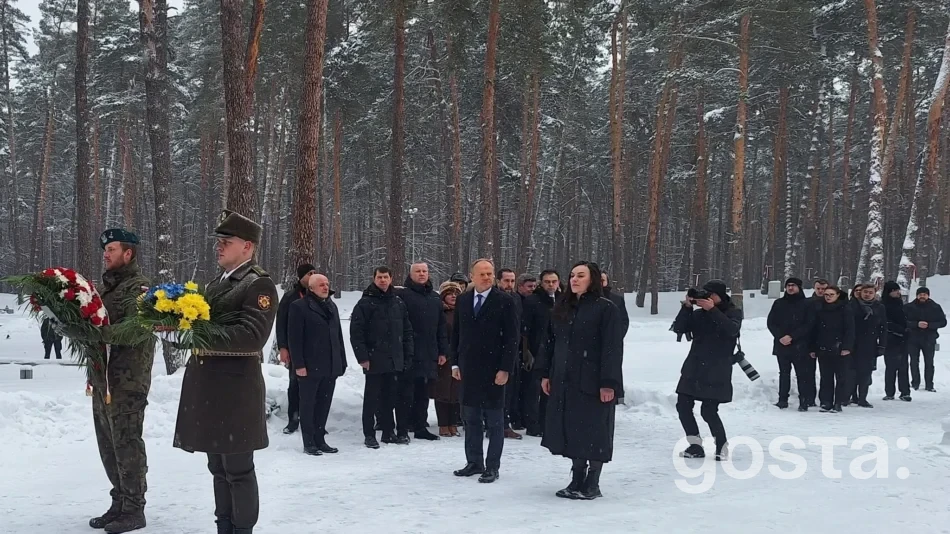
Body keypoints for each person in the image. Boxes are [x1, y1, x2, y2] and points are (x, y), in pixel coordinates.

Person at [173, 210, 279, 534]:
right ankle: (224, 527)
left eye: (226, 242)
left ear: (247, 247)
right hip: (212, 394)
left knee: (239, 470)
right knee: (217, 468)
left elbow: (252, 337)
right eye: (218, 241)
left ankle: (242, 530)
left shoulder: (257, 284)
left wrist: (197, 334)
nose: (219, 247)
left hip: (235, 395)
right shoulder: (215, 283)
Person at [67, 229, 154, 534]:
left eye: (112, 249)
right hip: (104, 380)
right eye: (105, 249)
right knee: (109, 445)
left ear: (128, 254)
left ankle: (134, 508)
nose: (106, 253)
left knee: (127, 443)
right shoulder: (106, 289)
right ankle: (119, 502)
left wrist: (100, 334)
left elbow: (138, 328)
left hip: (128, 380)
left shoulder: (139, 289)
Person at [538, 261, 623, 500]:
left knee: (595, 431)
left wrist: (609, 382)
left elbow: (612, 349)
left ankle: (592, 483)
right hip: (565, 380)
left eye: (581, 276)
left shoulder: (606, 308)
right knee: (572, 431)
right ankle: (576, 479)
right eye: (572, 275)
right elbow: (549, 344)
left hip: (594, 383)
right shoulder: (562, 307)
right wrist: (545, 373)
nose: (574, 279)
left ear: (592, 279)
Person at [450, 259, 519, 483]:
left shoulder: (505, 301)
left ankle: (492, 466)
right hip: (469, 369)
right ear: (472, 276)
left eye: (490, 273)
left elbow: (511, 339)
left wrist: (505, 369)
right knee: (470, 418)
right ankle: (474, 461)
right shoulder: (463, 300)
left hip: (494, 370)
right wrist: (455, 363)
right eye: (483, 274)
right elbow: (457, 335)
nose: (487, 277)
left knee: (494, 421)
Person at [671, 280, 742, 461]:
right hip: (694, 367)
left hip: (717, 369)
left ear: (720, 296)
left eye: (711, 295)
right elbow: (679, 328)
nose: (707, 299)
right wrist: (687, 307)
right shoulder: (698, 315)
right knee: (683, 406)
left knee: (708, 411)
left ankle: (721, 445)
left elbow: (731, 330)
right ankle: (695, 445)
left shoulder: (733, 312)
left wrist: (713, 310)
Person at [350, 266, 414, 448]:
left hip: (395, 359)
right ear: (374, 279)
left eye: (386, 277)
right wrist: (363, 357)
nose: (383, 280)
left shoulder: (398, 303)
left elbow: (407, 331)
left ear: (391, 278)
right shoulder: (365, 303)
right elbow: (357, 333)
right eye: (379, 277)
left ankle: (388, 432)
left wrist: (407, 354)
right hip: (374, 359)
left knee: (390, 398)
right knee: (372, 400)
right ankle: (369, 434)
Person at [288, 274, 347, 455]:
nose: (325, 287)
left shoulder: (332, 306)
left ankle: (320, 439)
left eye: (327, 284)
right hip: (309, 365)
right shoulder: (299, 307)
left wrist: (342, 361)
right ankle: (309, 442)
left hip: (330, 365)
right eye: (321, 285)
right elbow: (294, 339)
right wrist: (299, 364)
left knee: (324, 403)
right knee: (308, 404)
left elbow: (338, 337)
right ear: (311, 288)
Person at [395, 262, 448, 441]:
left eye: (424, 271)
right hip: (408, 352)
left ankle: (420, 427)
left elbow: (441, 327)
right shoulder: (402, 295)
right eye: (417, 271)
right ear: (410, 275)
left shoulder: (435, 298)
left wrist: (442, 351)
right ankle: (402, 429)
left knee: (423, 394)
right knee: (405, 393)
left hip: (429, 352)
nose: (421, 274)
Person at [276, 263, 316, 435]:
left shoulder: (318, 295)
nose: (312, 275)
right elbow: (281, 323)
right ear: (301, 277)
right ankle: (293, 418)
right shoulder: (291, 296)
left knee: (314, 385)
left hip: (315, 349)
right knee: (295, 384)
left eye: (314, 272)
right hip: (295, 348)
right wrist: (283, 347)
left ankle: (314, 420)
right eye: (309, 273)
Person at [522, 269, 562, 437]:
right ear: (541, 283)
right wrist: (527, 352)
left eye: (554, 281)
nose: (551, 285)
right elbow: (526, 329)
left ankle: (550, 423)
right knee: (535, 391)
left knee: (553, 390)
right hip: (537, 351)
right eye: (547, 282)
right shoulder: (532, 301)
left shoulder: (564, 300)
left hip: (558, 351)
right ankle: (533, 425)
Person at [766, 278, 814, 411]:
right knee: (784, 373)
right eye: (788, 285)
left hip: (800, 345)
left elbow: (809, 325)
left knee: (802, 374)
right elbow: (771, 322)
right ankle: (782, 400)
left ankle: (803, 401)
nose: (790, 288)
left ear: (799, 287)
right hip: (782, 345)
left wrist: (792, 336)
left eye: (793, 285)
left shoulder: (806, 304)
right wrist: (780, 336)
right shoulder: (779, 303)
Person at [809, 286, 854, 413]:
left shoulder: (845, 309)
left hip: (840, 347)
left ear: (837, 295)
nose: (828, 297)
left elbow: (850, 330)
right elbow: (814, 330)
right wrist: (813, 348)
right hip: (823, 347)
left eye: (831, 294)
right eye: (826, 294)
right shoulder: (819, 309)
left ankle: (838, 402)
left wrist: (847, 347)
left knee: (841, 376)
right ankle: (826, 402)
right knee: (825, 377)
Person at [431, 281, 463, 437]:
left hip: (460, 356)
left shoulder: (463, 312)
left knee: (456, 391)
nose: (453, 296)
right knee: (443, 390)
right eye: (450, 293)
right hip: (444, 357)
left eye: (456, 293)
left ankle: (453, 422)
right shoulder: (439, 312)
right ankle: (443, 423)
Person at [848, 284, 886, 407]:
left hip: (870, 344)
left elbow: (883, 328)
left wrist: (882, 345)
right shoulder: (852, 305)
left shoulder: (879, 307)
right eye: (865, 292)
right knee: (852, 371)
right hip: (853, 343)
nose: (867, 294)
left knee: (865, 373)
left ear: (874, 294)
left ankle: (862, 398)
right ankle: (851, 396)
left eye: (870, 292)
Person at [497, 267, 523, 439]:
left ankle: (505, 422)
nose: (509, 284)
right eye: (506, 280)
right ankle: (499, 425)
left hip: (513, 349)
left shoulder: (516, 298)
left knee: (510, 390)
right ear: (498, 281)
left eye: (512, 281)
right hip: (496, 349)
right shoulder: (495, 298)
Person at [904, 287, 947, 392]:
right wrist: (916, 324)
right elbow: (903, 321)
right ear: (917, 295)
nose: (922, 296)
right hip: (913, 338)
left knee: (929, 362)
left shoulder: (935, 307)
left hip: (929, 338)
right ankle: (915, 383)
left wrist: (930, 325)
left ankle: (929, 384)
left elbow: (943, 322)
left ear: (928, 295)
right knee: (914, 361)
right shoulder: (908, 307)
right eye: (920, 294)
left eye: (924, 294)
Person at [600, 269, 629, 404]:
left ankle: (616, 395)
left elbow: (624, 321)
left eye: (603, 280)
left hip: (612, 343)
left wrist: (614, 336)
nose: (600, 283)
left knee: (612, 369)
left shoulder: (616, 300)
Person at [881, 281, 911, 401]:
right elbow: (885, 323)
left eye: (897, 290)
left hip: (903, 339)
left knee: (904, 366)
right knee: (890, 367)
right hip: (890, 339)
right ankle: (889, 392)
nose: (897, 293)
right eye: (894, 291)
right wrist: (900, 330)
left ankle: (905, 391)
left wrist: (907, 328)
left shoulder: (900, 304)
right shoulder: (883, 305)